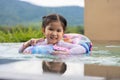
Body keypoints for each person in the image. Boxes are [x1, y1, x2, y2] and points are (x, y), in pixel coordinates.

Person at [19, 13, 90, 55]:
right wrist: (27, 43)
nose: (54, 33)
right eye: (51, 29)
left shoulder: (61, 44)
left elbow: (82, 49)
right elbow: (20, 52)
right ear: (44, 30)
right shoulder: (40, 43)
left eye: (58, 31)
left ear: (63, 33)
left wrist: (67, 53)